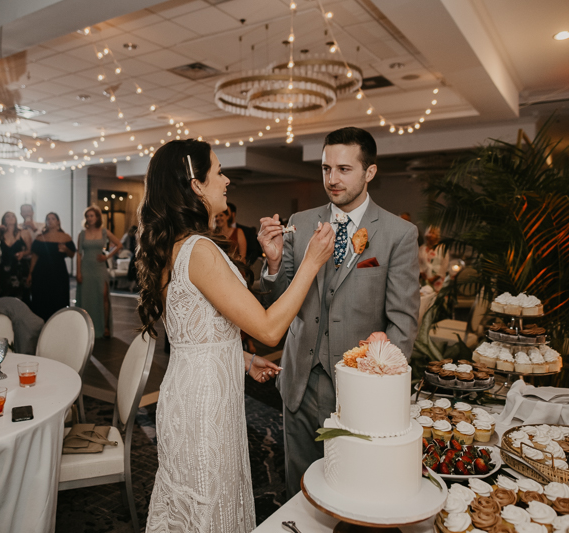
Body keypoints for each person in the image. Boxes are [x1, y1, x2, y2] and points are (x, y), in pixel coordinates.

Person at [137, 140, 334, 533]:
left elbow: (194, 331)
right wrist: (310, 263)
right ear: (196, 185)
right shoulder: (200, 250)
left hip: (189, 391)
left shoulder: (174, 246)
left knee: (197, 501)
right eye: (219, 170)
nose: (227, 180)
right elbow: (267, 328)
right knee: (209, 503)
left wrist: (242, 359)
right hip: (204, 405)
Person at [257, 126, 421, 497]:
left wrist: (376, 387)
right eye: (326, 168)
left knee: (351, 490)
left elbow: (403, 323)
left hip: (357, 388)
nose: (332, 179)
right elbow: (281, 300)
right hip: (299, 380)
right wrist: (273, 262)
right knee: (297, 488)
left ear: (370, 172)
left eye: (344, 169)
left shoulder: (398, 234)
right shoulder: (301, 221)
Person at [76, 206, 122, 338]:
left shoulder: (104, 231)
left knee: (103, 295)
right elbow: (79, 254)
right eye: (87, 216)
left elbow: (119, 244)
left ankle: (105, 327)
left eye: (92, 216)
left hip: (100, 267)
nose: (89, 218)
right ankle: (86, 327)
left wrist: (106, 256)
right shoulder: (82, 234)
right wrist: (78, 273)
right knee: (86, 297)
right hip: (86, 267)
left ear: (97, 217)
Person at [28, 213, 76, 320]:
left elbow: (72, 254)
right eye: (48, 219)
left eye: (53, 218)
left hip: (58, 272)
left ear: (58, 221)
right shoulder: (40, 237)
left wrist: (65, 249)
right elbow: (34, 256)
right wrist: (30, 274)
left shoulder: (65, 237)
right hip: (41, 272)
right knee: (41, 299)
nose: (50, 221)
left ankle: (57, 325)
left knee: (58, 298)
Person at [0, 212, 33, 303]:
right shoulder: (0, 234)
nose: (11, 218)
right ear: (4, 219)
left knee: (21, 297)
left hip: (19, 268)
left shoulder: (23, 232)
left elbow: (31, 250)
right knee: (4, 296)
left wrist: (23, 253)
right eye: (8, 216)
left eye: (13, 216)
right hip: (5, 268)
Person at [418, 225, 449, 292]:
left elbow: (444, 264)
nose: (430, 235)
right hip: (424, 280)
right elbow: (419, 262)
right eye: (429, 232)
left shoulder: (442, 248)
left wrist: (435, 278)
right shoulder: (422, 248)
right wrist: (421, 273)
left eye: (433, 233)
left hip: (438, 279)